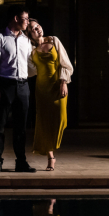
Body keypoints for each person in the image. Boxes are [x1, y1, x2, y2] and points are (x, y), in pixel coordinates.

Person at [0, 5, 37, 174]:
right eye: (25, 19)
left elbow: (31, 63)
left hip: (23, 86)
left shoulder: (26, 40)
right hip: (5, 85)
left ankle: (21, 162)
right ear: (16, 19)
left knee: (21, 127)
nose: (28, 22)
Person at [27, 19, 74, 171]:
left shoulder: (54, 40)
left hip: (57, 86)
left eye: (38, 26)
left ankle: (52, 148)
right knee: (44, 122)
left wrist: (63, 82)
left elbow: (65, 64)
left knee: (61, 119)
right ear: (30, 35)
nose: (38, 29)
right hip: (41, 89)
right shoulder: (31, 51)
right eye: (33, 29)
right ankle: (50, 157)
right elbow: (30, 71)